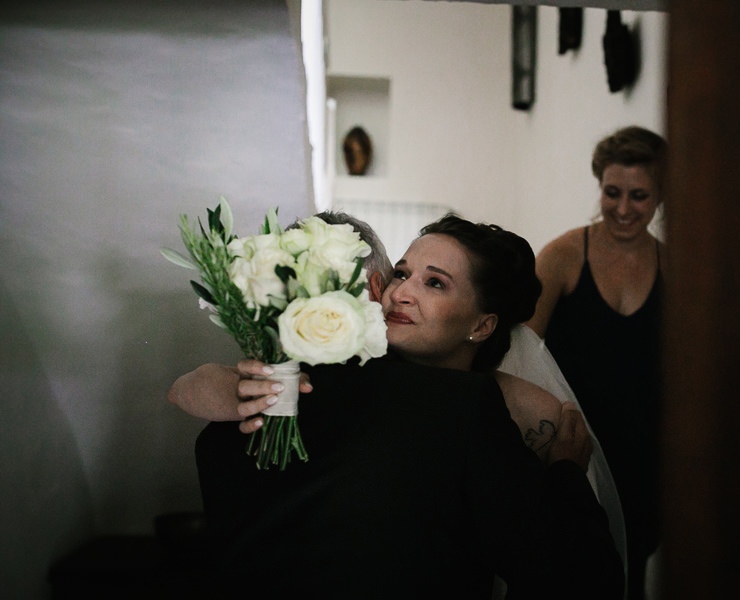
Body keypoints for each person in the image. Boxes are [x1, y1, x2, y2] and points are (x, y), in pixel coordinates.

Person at [177, 213, 625, 599]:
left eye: (434, 282)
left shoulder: (503, 407)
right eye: (401, 274)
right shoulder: (276, 393)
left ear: (483, 324)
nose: (400, 294)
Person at [525, 125, 668, 600]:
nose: (624, 209)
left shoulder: (675, 266)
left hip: (646, 451)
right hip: (575, 446)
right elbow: (522, 349)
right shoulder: (564, 256)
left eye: (640, 196)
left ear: (660, 195)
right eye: (612, 193)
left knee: (631, 576)